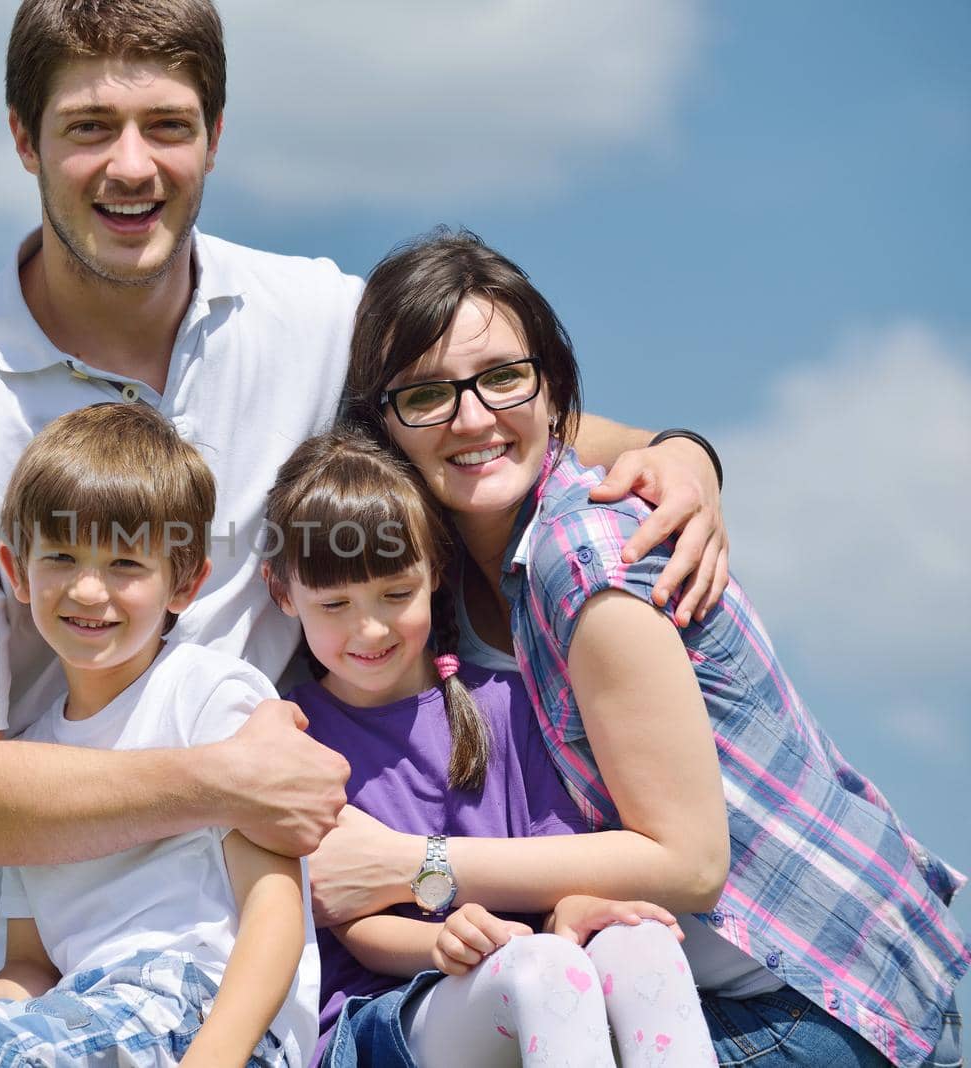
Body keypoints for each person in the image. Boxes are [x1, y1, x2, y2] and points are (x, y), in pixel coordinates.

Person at [0, 0, 732, 1042]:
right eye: (89, 125)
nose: (131, 165)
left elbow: (490, 417)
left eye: (167, 126)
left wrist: (677, 455)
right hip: (19, 982)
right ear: (21, 135)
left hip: (258, 972)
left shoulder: (308, 318)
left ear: (215, 137)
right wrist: (224, 781)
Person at [314, 226, 967, 1067]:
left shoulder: (582, 556)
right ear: (385, 425)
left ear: (553, 388)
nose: (472, 416)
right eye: (427, 395)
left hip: (811, 995)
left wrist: (417, 866)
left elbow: (688, 862)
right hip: (684, 974)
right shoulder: (428, 580)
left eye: (503, 378)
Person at [0, 404, 316, 1067]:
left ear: (186, 581)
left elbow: (275, 911)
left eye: (124, 564)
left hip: (207, 1010)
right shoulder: (35, 764)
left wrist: (215, 1058)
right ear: (17, 571)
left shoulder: (211, 695)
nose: (88, 589)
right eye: (61, 555)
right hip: (86, 1010)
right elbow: (32, 963)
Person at [261, 429, 716, 1067]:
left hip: (526, 964)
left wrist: (577, 908)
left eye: (395, 594)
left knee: (640, 944)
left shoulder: (504, 704)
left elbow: (560, 858)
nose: (368, 628)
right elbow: (351, 921)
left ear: (434, 575)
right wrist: (444, 941)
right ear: (283, 593)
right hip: (381, 1014)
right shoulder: (296, 737)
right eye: (334, 603)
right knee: (539, 971)